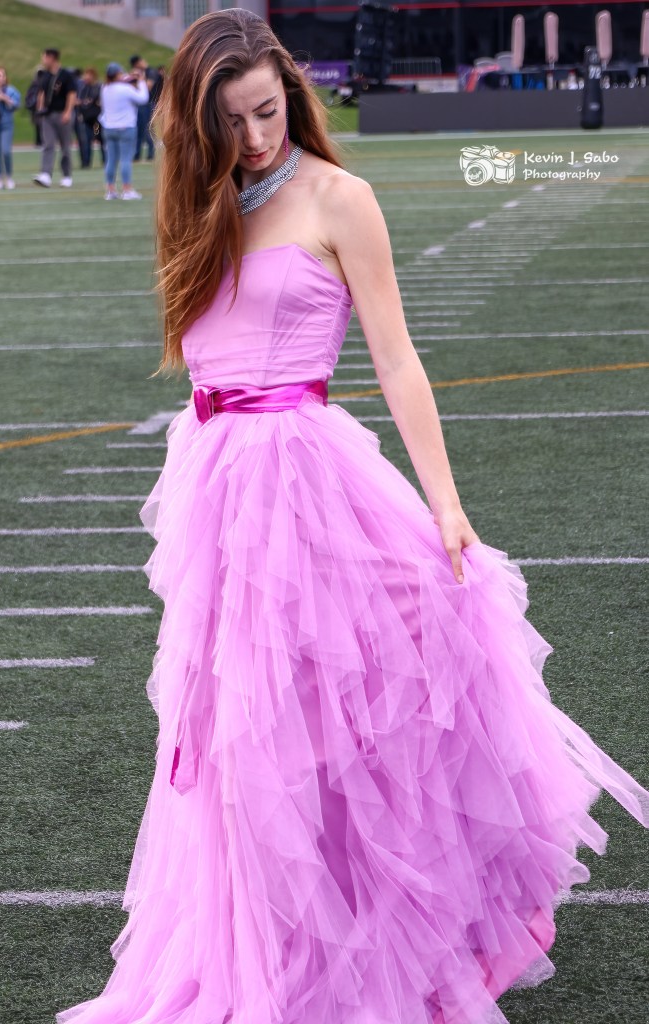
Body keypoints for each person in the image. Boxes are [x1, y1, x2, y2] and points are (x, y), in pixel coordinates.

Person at [56, 10, 649, 1024]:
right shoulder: (198, 202)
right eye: (232, 120)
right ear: (198, 123)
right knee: (242, 738)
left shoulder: (340, 197)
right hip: (216, 488)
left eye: (268, 110)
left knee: (357, 711)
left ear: (291, 93)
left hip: (308, 477)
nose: (256, 136)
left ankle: (399, 933)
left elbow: (396, 357)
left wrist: (446, 505)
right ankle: (268, 951)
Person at [98, 62, 149, 200]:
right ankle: (127, 190)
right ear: (117, 74)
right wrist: (141, 81)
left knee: (111, 160)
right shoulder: (125, 89)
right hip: (126, 127)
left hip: (109, 128)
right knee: (125, 159)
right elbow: (143, 98)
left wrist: (130, 76)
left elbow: (121, 79)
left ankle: (110, 190)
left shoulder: (104, 88)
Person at [33, 47, 76, 188]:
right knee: (48, 144)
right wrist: (40, 109)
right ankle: (45, 174)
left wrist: (68, 112)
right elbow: (42, 92)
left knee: (65, 147)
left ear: (51, 58)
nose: (43, 60)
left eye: (44, 57)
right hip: (48, 115)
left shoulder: (66, 75)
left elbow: (71, 94)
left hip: (62, 114)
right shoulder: (45, 75)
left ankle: (66, 175)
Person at [129, 54, 157, 160]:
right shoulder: (139, 73)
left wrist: (139, 80)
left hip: (148, 104)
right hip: (138, 104)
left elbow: (148, 87)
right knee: (138, 129)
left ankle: (151, 153)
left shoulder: (151, 72)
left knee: (147, 129)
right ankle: (136, 153)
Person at [76, 67, 104, 168]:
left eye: (88, 75)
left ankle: (105, 161)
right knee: (86, 140)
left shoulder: (99, 87)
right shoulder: (83, 88)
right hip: (86, 118)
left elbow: (99, 101)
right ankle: (86, 162)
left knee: (101, 138)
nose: (86, 77)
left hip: (97, 119)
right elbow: (78, 101)